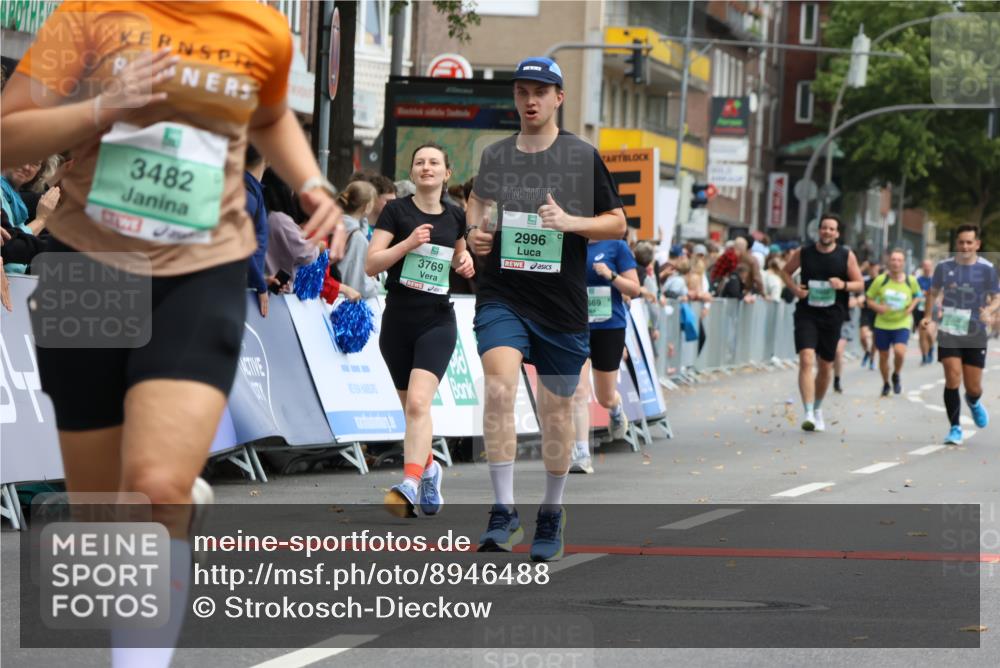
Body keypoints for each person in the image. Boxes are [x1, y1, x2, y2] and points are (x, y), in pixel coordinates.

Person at [0, 4, 343, 668]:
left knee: (153, 488)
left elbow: (269, 117)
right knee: (104, 526)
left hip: (201, 266)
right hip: (85, 266)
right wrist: (103, 109)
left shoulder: (261, 27)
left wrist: (309, 181)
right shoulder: (90, 13)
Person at [465, 56, 626, 562]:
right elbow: (477, 200)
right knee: (498, 386)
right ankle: (502, 509)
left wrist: (569, 222)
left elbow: (617, 224)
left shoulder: (582, 156)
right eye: (522, 91)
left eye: (541, 91)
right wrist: (474, 233)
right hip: (502, 294)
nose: (530, 100)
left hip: (560, 304)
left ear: (559, 97)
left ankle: (552, 512)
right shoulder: (495, 155)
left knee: (557, 413)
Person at [366, 143, 475, 517]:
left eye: (434, 163)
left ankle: (410, 482)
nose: (426, 167)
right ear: (412, 173)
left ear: (447, 173)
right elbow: (371, 263)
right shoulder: (396, 211)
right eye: (419, 162)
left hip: (437, 320)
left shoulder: (456, 216)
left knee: (417, 404)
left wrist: (465, 263)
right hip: (397, 321)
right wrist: (408, 244)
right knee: (412, 412)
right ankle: (429, 469)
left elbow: (460, 255)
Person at [780, 214, 864, 432]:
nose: (827, 232)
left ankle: (817, 408)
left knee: (825, 366)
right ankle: (807, 411)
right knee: (806, 359)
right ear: (818, 230)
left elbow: (859, 284)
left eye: (831, 229)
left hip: (832, 315)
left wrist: (843, 285)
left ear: (837, 233)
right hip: (807, 313)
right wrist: (795, 289)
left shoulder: (845, 255)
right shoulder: (805, 253)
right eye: (824, 228)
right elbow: (785, 272)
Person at [921, 224, 999, 445]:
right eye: (961, 242)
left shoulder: (986, 269)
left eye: (969, 242)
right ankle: (955, 428)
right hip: (950, 329)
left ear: (977, 244)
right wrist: (928, 316)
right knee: (952, 377)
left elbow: (996, 297)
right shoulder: (944, 267)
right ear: (957, 243)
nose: (965, 246)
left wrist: (990, 311)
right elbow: (933, 292)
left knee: (973, 386)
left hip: (975, 331)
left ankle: (973, 402)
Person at [569, 237, 641, 474]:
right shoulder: (569, 242)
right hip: (576, 326)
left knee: (604, 396)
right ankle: (581, 453)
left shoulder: (616, 247)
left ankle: (616, 409)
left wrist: (611, 275)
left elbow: (634, 288)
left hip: (609, 328)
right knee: (579, 392)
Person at [865, 249, 921, 396]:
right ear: (889, 262)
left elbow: (917, 295)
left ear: (903, 263)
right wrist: (877, 307)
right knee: (883, 356)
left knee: (899, 352)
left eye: (899, 260)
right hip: (882, 324)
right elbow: (869, 298)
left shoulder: (911, 281)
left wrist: (911, 308)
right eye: (893, 260)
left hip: (901, 323)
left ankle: (896, 374)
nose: (896, 263)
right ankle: (885, 383)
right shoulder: (880, 280)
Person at [335, 180, 380, 299]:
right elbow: (359, 286)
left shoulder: (332, 224)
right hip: (340, 301)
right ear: (367, 207)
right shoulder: (357, 238)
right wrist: (376, 282)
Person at [244, 144, 270, 316]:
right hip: (236, 289)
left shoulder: (251, 190)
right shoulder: (247, 194)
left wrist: (261, 279)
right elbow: (240, 246)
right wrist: (260, 285)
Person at [858, 260, 881, 369]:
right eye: (870, 267)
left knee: (875, 338)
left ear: (878, 267)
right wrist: (862, 267)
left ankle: (872, 358)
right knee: (863, 336)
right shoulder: (865, 280)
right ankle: (867, 351)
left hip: (878, 312)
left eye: (874, 267)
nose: (872, 269)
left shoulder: (882, 280)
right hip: (866, 311)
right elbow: (854, 277)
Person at [914, 258, 937, 365]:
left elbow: (941, 294)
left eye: (929, 266)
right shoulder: (918, 280)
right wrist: (920, 294)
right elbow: (915, 294)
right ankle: (924, 356)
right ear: (922, 267)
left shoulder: (936, 280)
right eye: (925, 266)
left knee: (928, 332)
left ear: (932, 267)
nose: (927, 268)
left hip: (933, 309)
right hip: (920, 309)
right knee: (922, 334)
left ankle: (931, 348)